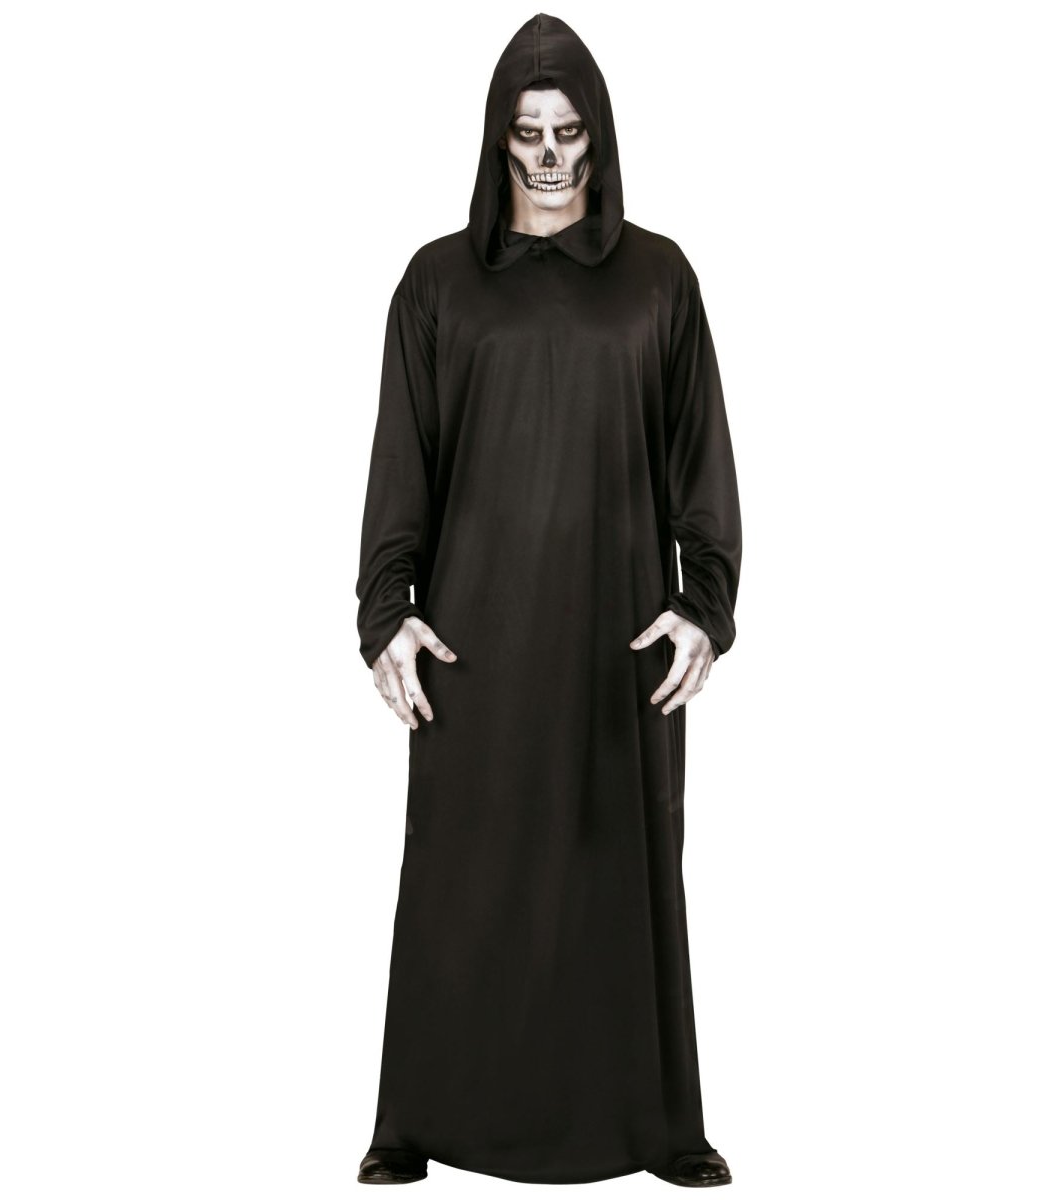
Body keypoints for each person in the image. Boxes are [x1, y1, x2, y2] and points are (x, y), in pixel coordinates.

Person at [355, 12, 742, 1188]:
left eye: (569, 132)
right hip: (475, 652)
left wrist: (705, 607)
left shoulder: (659, 281)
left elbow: (703, 468)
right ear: (497, 139)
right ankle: (416, 1121)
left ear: (599, 135)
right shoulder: (439, 286)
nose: (550, 156)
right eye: (527, 134)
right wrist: (386, 615)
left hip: (618, 648)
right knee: (459, 883)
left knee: (621, 879)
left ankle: (657, 1128)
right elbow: (402, 468)